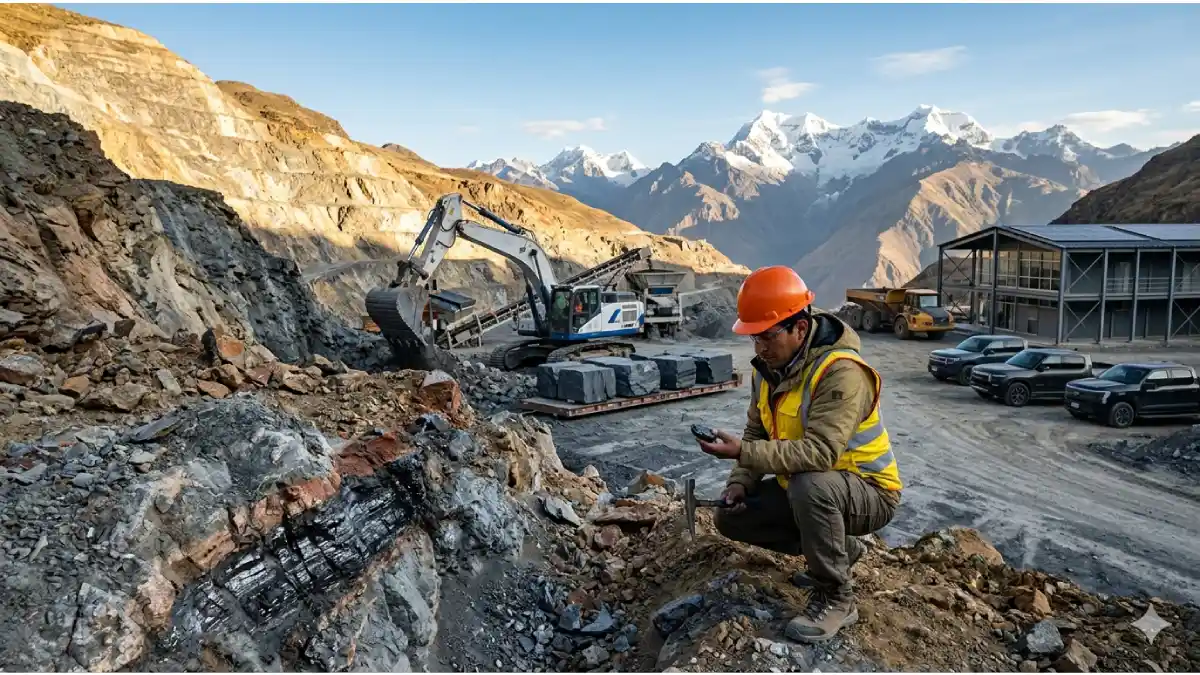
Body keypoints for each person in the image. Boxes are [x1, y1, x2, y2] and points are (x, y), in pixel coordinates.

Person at [695, 266, 902, 644]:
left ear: (800, 329)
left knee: (811, 486)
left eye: (768, 336)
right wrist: (739, 483)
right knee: (730, 518)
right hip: (809, 487)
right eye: (754, 337)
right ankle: (838, 550)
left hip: (870, 492)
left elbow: (821, 453)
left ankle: (837, 597)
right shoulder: (768, 369)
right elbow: (757, 430)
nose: (759, 347)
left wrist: (741, 452)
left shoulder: (841, 374)